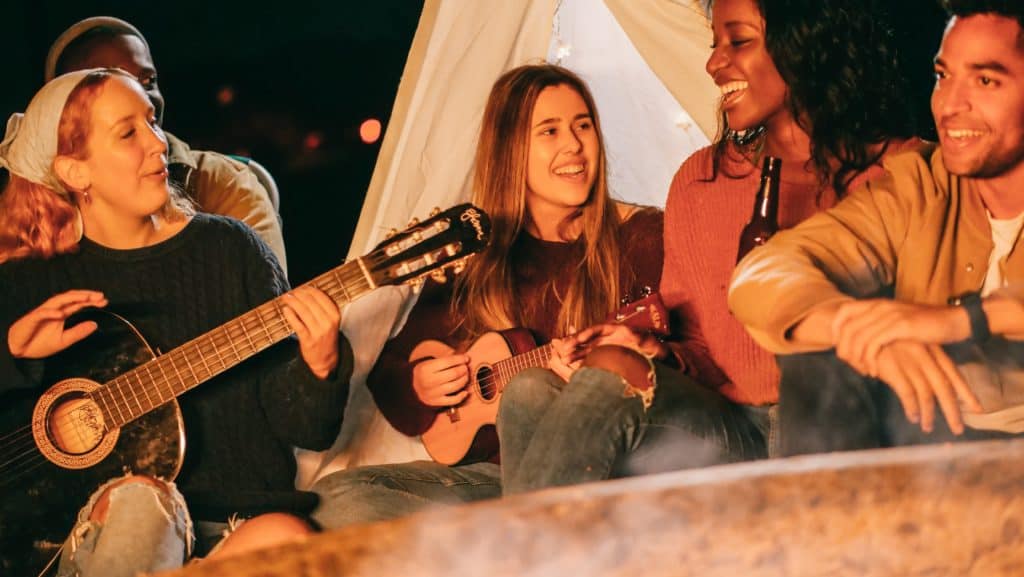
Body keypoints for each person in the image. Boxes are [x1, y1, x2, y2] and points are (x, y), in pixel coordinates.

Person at [0, 69, 352, 577]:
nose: (158, 142)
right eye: (128, 133)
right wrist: (10, 355)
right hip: (88, 538)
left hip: (231, 527)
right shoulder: (30, 282)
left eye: (152, 122)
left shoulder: (232, 251)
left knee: (286, 540)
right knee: (143, 504)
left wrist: (320, 365)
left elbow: (306, 430)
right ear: (75, 172)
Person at [309, 63, 664, 527]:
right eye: (550, 131)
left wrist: (606, 366)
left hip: (598, 471)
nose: (574, 145)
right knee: (334, 498)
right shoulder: (475, 252)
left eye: (583, 125)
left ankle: (520, 537)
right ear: (509, 149)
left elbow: (678, 356)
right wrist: (421, 382)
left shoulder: (641, 235)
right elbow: (389, 372)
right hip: (495, 480)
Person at [618, 0, 921, 464]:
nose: (714, 63)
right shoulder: (700, 182)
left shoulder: (909, 173)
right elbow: (697, 341)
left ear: (807, 43)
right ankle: (534, 530)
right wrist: (658, 351)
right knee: (596, 374)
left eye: (738, 41)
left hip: (857, 426)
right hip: (733, 430)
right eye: (715, 44)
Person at [728, 0, 1024, 455]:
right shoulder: (920, 185)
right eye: (944, 76)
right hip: (932, 440)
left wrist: (953, 321)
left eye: (985, 80)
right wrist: (860, 330)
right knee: (819, 356)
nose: (950, 104)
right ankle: (830, 521)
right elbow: (764, 271)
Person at [44, 16, 288, 274]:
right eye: (112, 84)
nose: (138, 95)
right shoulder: (30, 215)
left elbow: (269, 300)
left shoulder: (222, 183)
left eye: (147, 81)